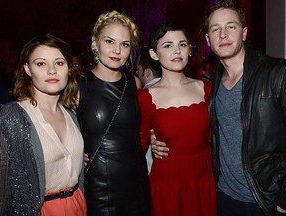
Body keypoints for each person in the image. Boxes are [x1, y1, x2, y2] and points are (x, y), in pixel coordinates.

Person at [152, 0, 286, 215]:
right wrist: (155, 135)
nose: (223, 34)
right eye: (216, 29)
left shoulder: (277, 73)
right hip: (222, 196)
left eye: (231, 26)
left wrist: (283, 199)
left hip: (264, 200)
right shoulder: (211, 85)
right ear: (208, 39)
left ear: (244, 32)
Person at [0, 33, 86, 215]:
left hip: (78, 205)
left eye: (59, 63)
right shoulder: (11, 116)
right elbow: (2, 189)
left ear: (68, 67)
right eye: (41, 63)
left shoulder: (71, 113)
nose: (52, 70)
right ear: (27, 69)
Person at [76, 10, 151, 216]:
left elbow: (139, 128)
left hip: (137, 182)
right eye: (109, 41)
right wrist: (71, 149)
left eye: (125, 44)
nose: (117, 50)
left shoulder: (133, 83)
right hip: (100, 187)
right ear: (94, 43)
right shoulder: (77, 85)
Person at [138, 22, 216, 216]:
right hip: (167, 183)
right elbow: (135, 148)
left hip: (203, 179)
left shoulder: (206, 89)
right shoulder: (145, 98)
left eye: (182, 44)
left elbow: (218, 135)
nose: (177, 51)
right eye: (168, 45)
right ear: (154, 54)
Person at [136, 46, 162, 173]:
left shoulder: (142, 98)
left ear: (147, 72)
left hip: (149, 171)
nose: (136, 73)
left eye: (138, 69)